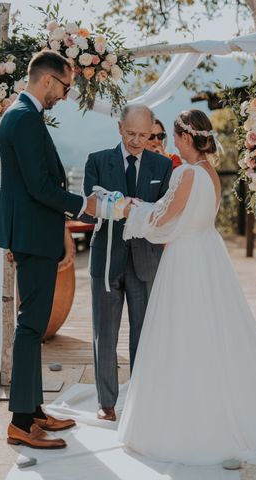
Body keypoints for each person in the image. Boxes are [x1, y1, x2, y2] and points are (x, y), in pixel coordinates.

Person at [117, 109, 256, 466]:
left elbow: (166, 218)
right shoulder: (211, 175)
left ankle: (189, 420)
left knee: (182, 335)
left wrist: (133, 213)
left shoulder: (185, 173)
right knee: (214, 331)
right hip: (209, 254)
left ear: (183, 136)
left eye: (174, 135)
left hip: (186, 259)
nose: (170, 142)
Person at [0, 50, 97, 449]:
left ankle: (33, 410)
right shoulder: (23, 118)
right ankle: (20, 422)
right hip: (33, 237)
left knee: (32, 327)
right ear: (48, 80)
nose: (65, 97)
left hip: (36, 234)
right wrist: (81, 205)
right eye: (65, 87)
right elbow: (39, 186)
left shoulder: (23, 115)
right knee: (30, 328)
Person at [82, 104, 173, 422]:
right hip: (106, 259)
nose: (137, 141)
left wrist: (136, 207)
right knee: (104, 335)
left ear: (152, 133)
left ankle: (140, 399)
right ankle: (106, 403)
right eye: (131, 133)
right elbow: (91, 205)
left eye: (144, 135)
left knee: (143, 334)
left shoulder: (163, 166)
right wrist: (123, 205)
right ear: (119, 128)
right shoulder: (97, 161)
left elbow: (164, 211)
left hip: (146, 260)